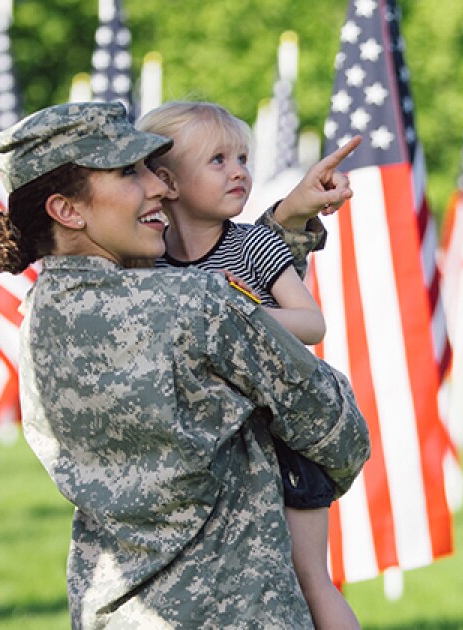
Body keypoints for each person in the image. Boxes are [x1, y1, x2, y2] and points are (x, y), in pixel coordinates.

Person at [0, 101, 369, 628]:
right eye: (128, 172)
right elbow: (338, 429)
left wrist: (286, 223)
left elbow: (219, 269)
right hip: (237, 609)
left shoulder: (35, 321)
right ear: (67, 211)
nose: (159, 187)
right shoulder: (197, 305)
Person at [136, 101, 358, 629]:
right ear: (166, 180)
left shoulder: (252, 244)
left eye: (242, 157)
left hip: (283, 443)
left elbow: (312, 322)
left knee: (308, 578)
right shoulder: (149, 262)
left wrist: (238, 315)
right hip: (211, 453)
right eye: (218, 160)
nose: (239, 170)